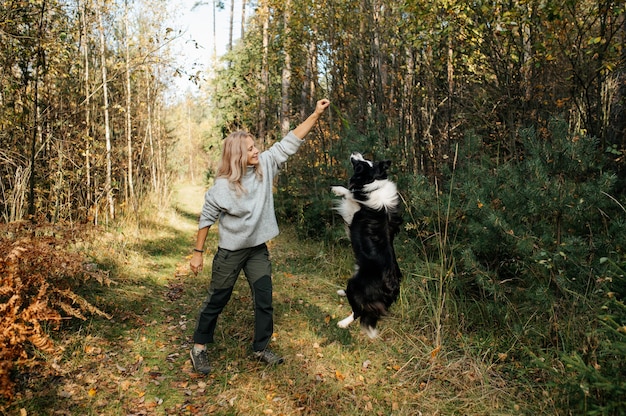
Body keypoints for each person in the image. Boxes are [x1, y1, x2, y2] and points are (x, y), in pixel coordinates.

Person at [189, 98, 331, 374]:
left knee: (264, 298)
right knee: (217, 299)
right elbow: (206, 219)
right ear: (238, 155)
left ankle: (261, 347)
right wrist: (197, 254)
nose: (257, 151)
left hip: (256, 249)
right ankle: (199, 348)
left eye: (255, 146)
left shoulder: (265, 165)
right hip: (230, 252)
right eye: (251, 148)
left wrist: (315, 114)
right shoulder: (221, 187)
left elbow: (291, 141)